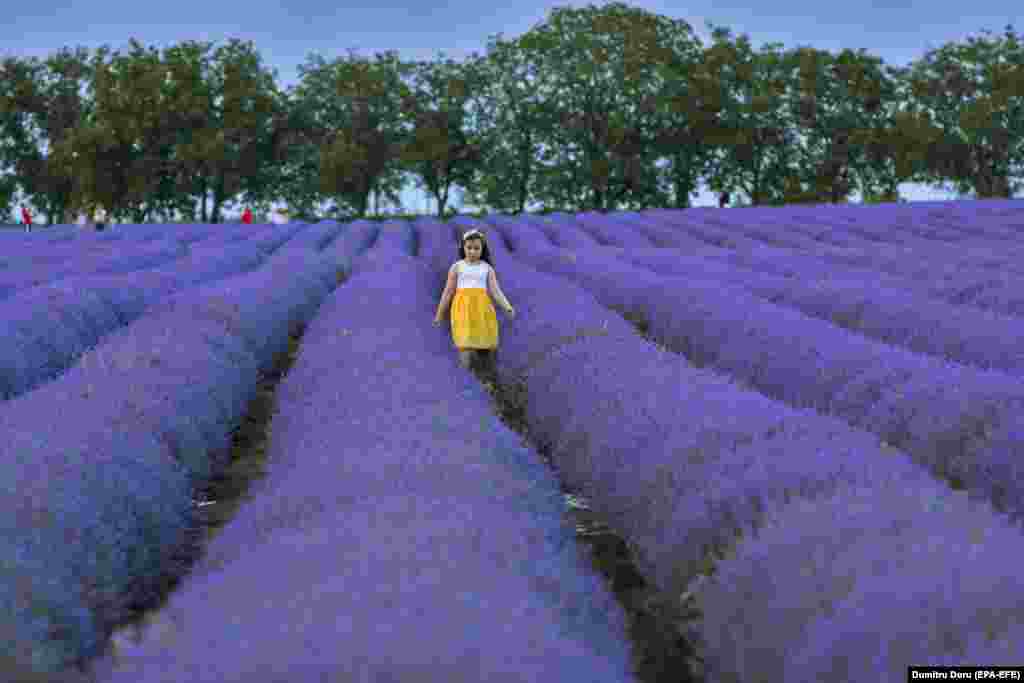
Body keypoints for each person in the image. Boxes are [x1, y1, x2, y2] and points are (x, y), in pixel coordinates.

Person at [433, 228, 516, 380]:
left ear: (482, 249)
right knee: (464, 345)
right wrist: (440, 313)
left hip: (482, 310)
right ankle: (464, 378)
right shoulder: (457, 267)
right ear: (463, 248)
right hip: (462, 311)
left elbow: (496, 291)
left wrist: (507, 307)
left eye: (476, 248)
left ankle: (490, 379)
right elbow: (448, 292)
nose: (472, 251)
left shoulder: (486, 268)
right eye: (469, 248)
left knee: (486, 346)